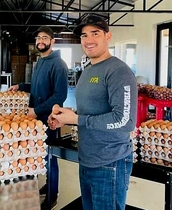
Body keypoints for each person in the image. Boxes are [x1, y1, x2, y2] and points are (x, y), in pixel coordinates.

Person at [48, 15, 137, 210]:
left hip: (110, 162)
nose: (88, 40)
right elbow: (90, 111)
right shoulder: (88, 70)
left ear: (108, 36)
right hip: (87, 158)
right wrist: (67, 118)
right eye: (83, 35)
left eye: (95, 33)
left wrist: (78, 118)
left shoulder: (118, 71)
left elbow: (125, 121)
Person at [8, 26, 68, 210]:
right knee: (38, 155)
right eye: (38, 38)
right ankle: (47, 186)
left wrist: (37, 111)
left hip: (49, 118)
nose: (40, 41)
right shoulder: (40, 61)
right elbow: (36, 87)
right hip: (35, 118)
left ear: (52, 41)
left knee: (50, 157)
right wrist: (20, 86)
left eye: (44, 38)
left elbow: (59, 96)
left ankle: (52, 195)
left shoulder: (58, 64)